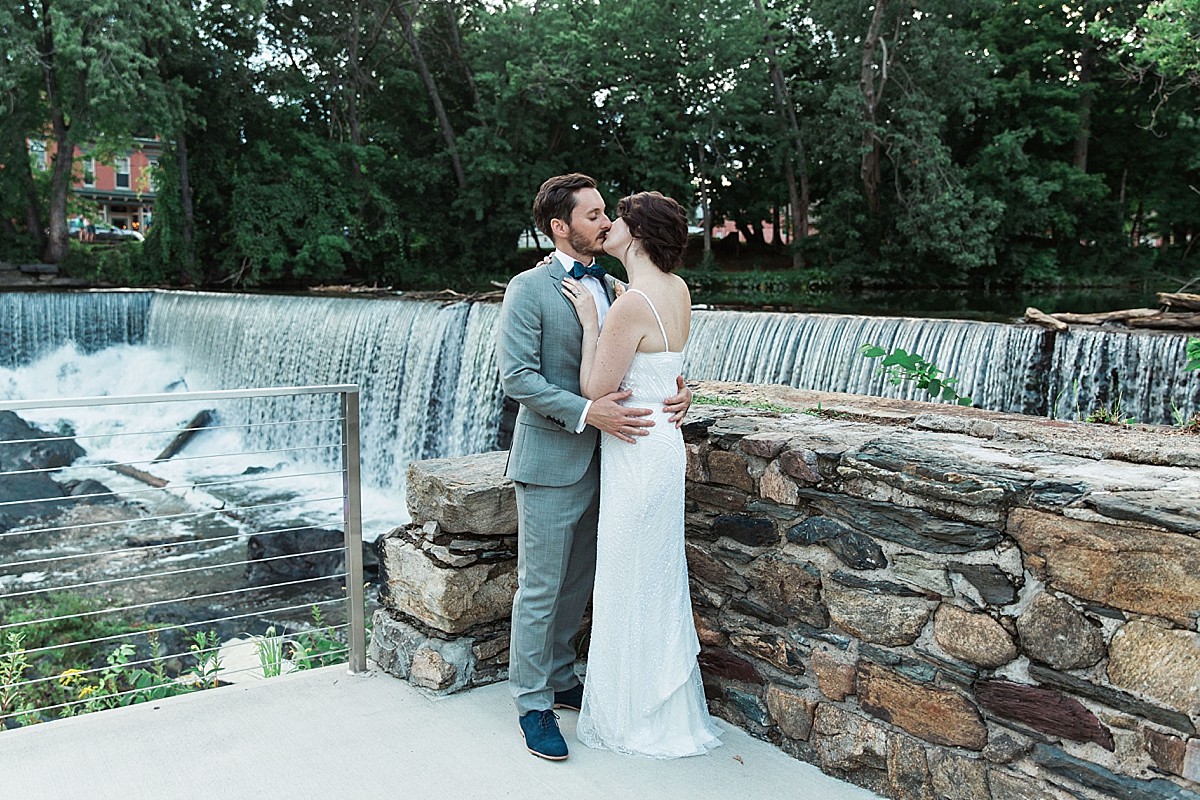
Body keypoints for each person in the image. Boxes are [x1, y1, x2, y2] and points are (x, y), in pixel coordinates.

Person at [496, 174, 693, 761]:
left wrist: (682, 393)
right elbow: (518, 378)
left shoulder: (614, 285)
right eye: (593, 216)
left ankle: (559, 676)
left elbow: (650, 360)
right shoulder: (528, 289)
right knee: (541, 585)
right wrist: (588, 413)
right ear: (561, 227)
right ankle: (532, 703)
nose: (605, 223)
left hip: (616, 462)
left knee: (580, 580)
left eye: (609, 214)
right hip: (554, 456)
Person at [561, 190, 722, 759]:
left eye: (617, 219)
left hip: (633, 449)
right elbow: (667, 367)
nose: (607, 226)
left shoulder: (628, 307)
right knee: (657, 574)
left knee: (629, 577)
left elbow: (594, 391)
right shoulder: (675, 290)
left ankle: (632, 717)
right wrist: (683, 391)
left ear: (639, 233)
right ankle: (663, 704)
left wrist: (588, 321)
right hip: (663, 445)